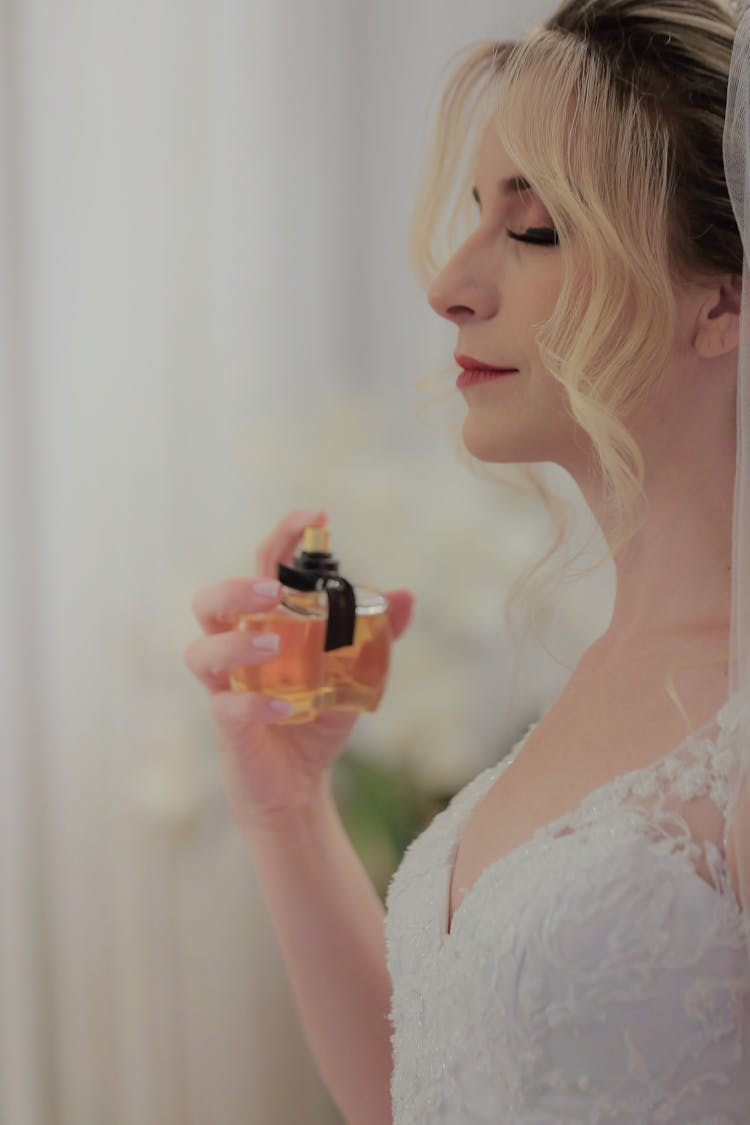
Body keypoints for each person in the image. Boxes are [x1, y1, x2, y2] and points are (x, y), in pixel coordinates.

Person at [184, 0, 750, 1120]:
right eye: (474, 217)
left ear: (723, 299)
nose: (449, 281)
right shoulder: (597, 678)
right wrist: (289, 809)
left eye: (533, 229)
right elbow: (432, 1094)